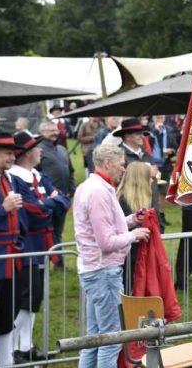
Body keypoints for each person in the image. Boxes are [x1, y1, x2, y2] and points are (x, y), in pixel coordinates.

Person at [73, 144, 150, 368]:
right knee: (111, 339)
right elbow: (106, 242)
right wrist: (134, 235)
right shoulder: (98, 192)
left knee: (94, 337)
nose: (123, 168)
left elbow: (107, 227)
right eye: (121, 164)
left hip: (95, 270)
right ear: (108, 163)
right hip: (102, 272)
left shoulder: (91, 186)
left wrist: (130, 220)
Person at [9, 131, 70, 362]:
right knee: (24, 296)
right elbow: (31, 212)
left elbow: (64, 200)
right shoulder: (15, 178)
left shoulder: (38, 175)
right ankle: (16, 347)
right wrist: (49, 203)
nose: (41, 151)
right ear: (25, 153)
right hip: (26, 246)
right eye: (36, 147)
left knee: (35, 297)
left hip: (44, 244)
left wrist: (48, 202)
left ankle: (28, 344)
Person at [0, 133, 26, 367]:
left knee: (5, 318)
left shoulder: (8, 180)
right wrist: (3, 209)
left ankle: (6, 363)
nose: (13, 156)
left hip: (10, 261)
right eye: (8, 152)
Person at [116, 161, 159, 292]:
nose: (152, 181)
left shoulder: (148, 198)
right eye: (149, 177)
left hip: (141, 252)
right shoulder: (121, 201)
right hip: (128, 255)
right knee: (127, 289)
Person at [37, 120, 75, 266]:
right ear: (42, 132)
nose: (55, 133)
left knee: (58, 231)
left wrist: (71, 189)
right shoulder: (39, 150)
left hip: (63, 198)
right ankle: (47, 263)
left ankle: (58, 263)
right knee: (48, 231)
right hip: (47, 200)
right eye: (50, 130)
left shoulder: (62, 149)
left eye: (56, 130)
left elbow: (70, 170)